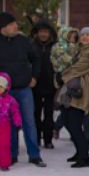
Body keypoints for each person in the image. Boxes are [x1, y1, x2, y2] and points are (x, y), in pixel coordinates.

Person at [0, 12, 45, 167]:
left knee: (29, 122)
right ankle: (12, 155)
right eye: (12, 24)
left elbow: (36, 58)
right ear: (3, 27)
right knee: (8, 124)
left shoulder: (24, 41)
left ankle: (34, 155)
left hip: (24, 89)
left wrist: (34, 77)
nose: (16, 26)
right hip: (3, 93)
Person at [58, 27, 89, 168]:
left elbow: (79, 67)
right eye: (82, 34)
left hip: (82, 89)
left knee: (74, 123)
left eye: (88, 35)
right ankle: (80, 151)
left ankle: (84, 157)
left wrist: (62, 76)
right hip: (72, 87)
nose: (85, 37)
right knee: (67, 120)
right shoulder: (79, 50)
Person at [30, 19, 57, 149]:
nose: (43, 34)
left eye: (46, 32)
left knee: (49, 114)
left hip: (50, 85)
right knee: (35, 113)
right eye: (41, 32)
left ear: (50, 33)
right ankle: (36, 137)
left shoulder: (55, 46)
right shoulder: (32, 45)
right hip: (35, 85)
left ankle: (48, 139)